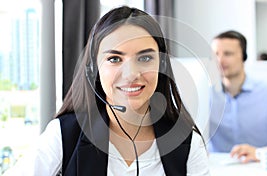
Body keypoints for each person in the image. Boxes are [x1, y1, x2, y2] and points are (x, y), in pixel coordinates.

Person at [4, 6, 209, 176]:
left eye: (145, 58)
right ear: (94, 68)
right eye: (114, 59)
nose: (131, 74)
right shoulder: (63, 135)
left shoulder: (187, 143)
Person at [209, 30, 267, 163]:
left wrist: (262, 153)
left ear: (244, 57)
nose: (220, 60)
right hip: (217, 170)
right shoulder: (204, 96)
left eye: (228, 54)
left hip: (261, 166)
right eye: (215, 54)